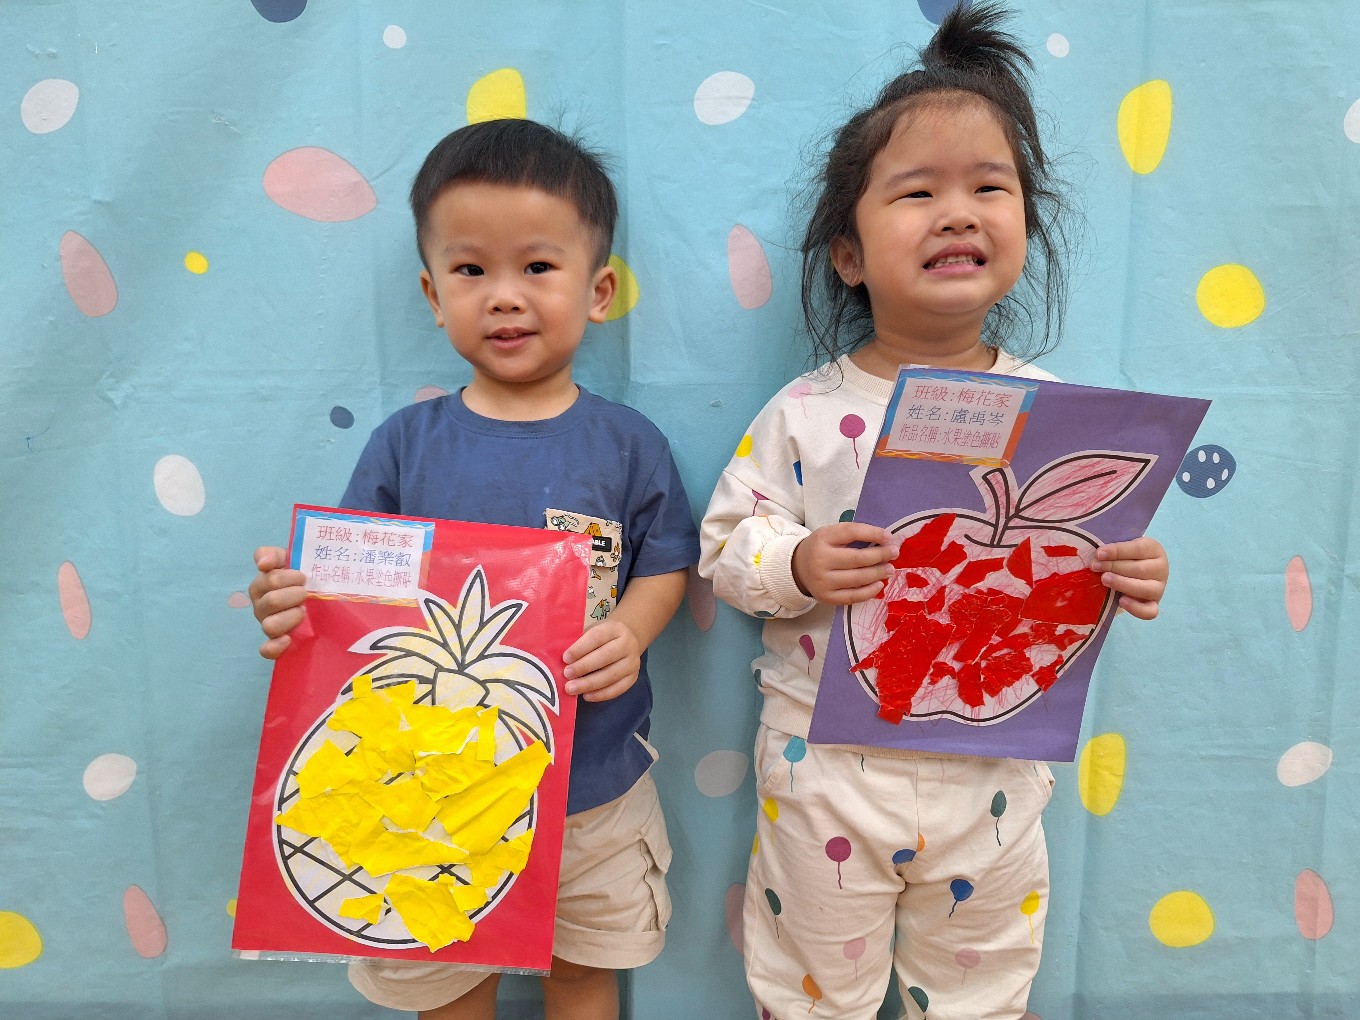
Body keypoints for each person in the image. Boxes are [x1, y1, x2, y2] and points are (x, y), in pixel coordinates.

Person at [698, 6, 1170, 1018]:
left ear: (1026, 225)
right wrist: (797, 563)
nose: (958, 214)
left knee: (982, 987)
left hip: (994, 770)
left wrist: (1125, 572)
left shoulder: (1063, 422)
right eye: (917, 193)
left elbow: (1069, 569)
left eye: (989, 189)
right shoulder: (807, 411)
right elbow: (726, 546)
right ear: (848, 255)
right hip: (825, 768)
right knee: (811, 987)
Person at [248, 118, 698, 1020]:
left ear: (599, 290)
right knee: (449, 974)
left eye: (538, 266)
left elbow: (667, 563)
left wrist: (631, 630)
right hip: (424, 796)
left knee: (586, 972)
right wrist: (291, 604)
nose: (504, 297)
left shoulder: (628, 444)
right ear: (432, 293)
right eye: (470, 270)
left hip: (594, 789)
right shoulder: (405, 445)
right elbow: (345, 591)